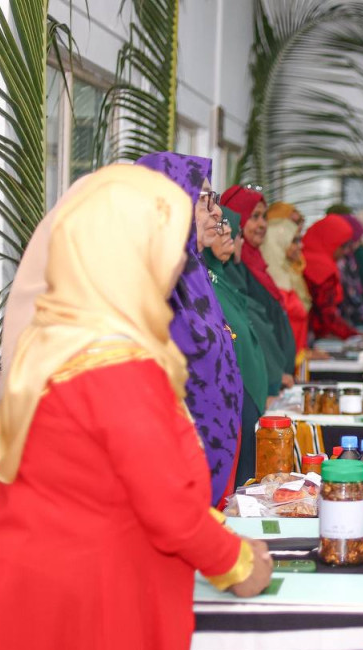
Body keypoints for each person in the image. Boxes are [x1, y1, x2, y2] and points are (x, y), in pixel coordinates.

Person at [0, 164, 272, 650]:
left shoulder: (56, 336)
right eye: (164, 243)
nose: (177, 260)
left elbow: (105, 480)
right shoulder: (113, 364)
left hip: (31, 589)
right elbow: (167, 506)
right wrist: (239, 563)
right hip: (80, 605)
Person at [137, 152, 243, 505]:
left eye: (215, 199)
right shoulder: (152, 278)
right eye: (204, 199)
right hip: (173, 473)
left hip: (211, 459)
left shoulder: (193, 270)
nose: (217, 212)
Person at [204, 210, 274, 488]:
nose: (228, 233)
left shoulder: (220, 278)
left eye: (229, 227)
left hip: (244, 398)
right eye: (219, 225)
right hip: (228, 402)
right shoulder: (202, 282)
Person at [221, 185, 305, 370]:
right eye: (254, 216)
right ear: (236, 218)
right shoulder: (232, 269)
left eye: (264, 217)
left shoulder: (258, 264)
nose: (263, 224)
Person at [259, 207, 308, 356]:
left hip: (296, 358)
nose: (301, 246)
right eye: (294, 241)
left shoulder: (289, 275)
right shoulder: (269, 285)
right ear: (278, 242)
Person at [302, 214, 359, 339]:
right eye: (342, 246)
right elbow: (327, 315)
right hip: (312, 336)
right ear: (330, 241)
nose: (345, 252)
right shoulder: (321, 268)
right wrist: (352, 335)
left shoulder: (306, 258)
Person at [268, 201, 312, 314]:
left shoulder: (296, 262)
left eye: (299, 221)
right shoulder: (270, 268)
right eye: (292, 222)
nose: (296, 227)